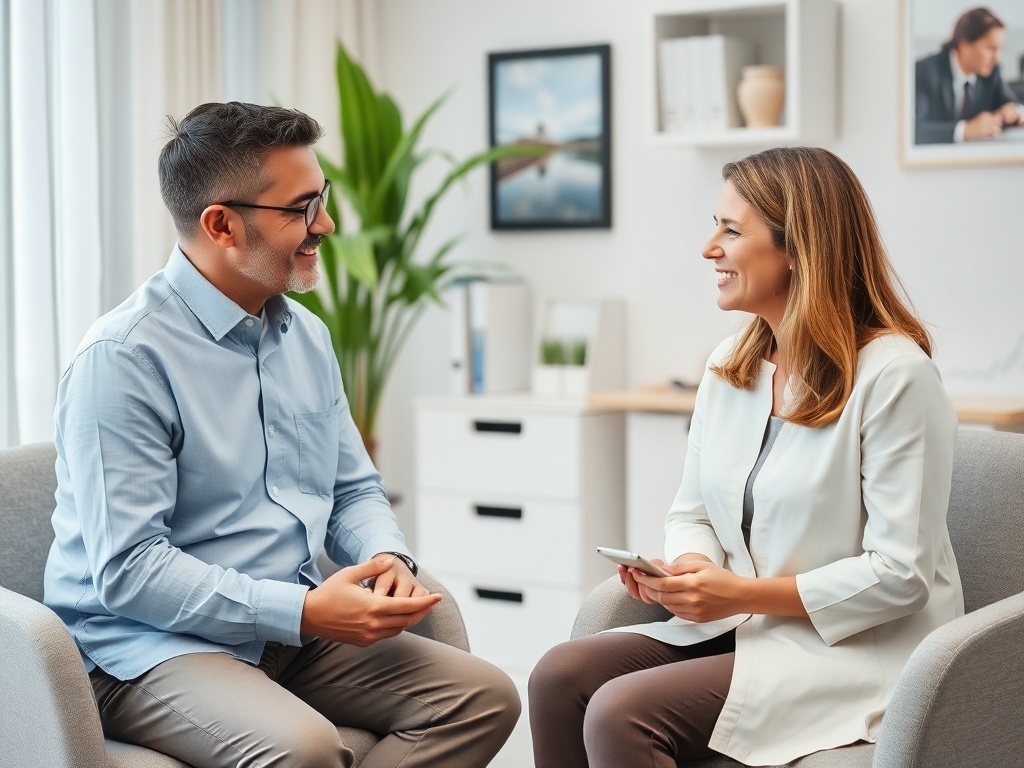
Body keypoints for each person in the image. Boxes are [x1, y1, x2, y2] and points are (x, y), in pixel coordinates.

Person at [43, 102, 519, 768]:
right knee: (306, 750)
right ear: (221, 224)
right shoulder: (123, 360)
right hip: (146, 645)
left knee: (484, 697)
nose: (325, 224)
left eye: (321, 198)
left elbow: (352, 488)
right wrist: (302, 611)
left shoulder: (307, 337)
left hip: (290, 628)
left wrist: (387, 556)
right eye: (301, 208)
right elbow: (130, 571)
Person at [528, 146, 962, 767]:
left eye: (731, 231)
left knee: (620, 712)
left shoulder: (895, 376)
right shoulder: (730, 364)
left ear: (798, 248)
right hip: (748, 627)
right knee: (558, 678)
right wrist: (691, 571)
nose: (709, 248)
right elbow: (693, 512)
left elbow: (901, 575)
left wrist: (741, 594)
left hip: (854, 648)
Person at [915, 6, 1023, 144]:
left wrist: (1013, 111)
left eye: (1000, 49)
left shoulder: (991, 72)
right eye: (991, 48)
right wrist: (965, 130)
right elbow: (913, 129)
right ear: (964, 44)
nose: (997, 59)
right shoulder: (925, 72)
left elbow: (1011, 102)